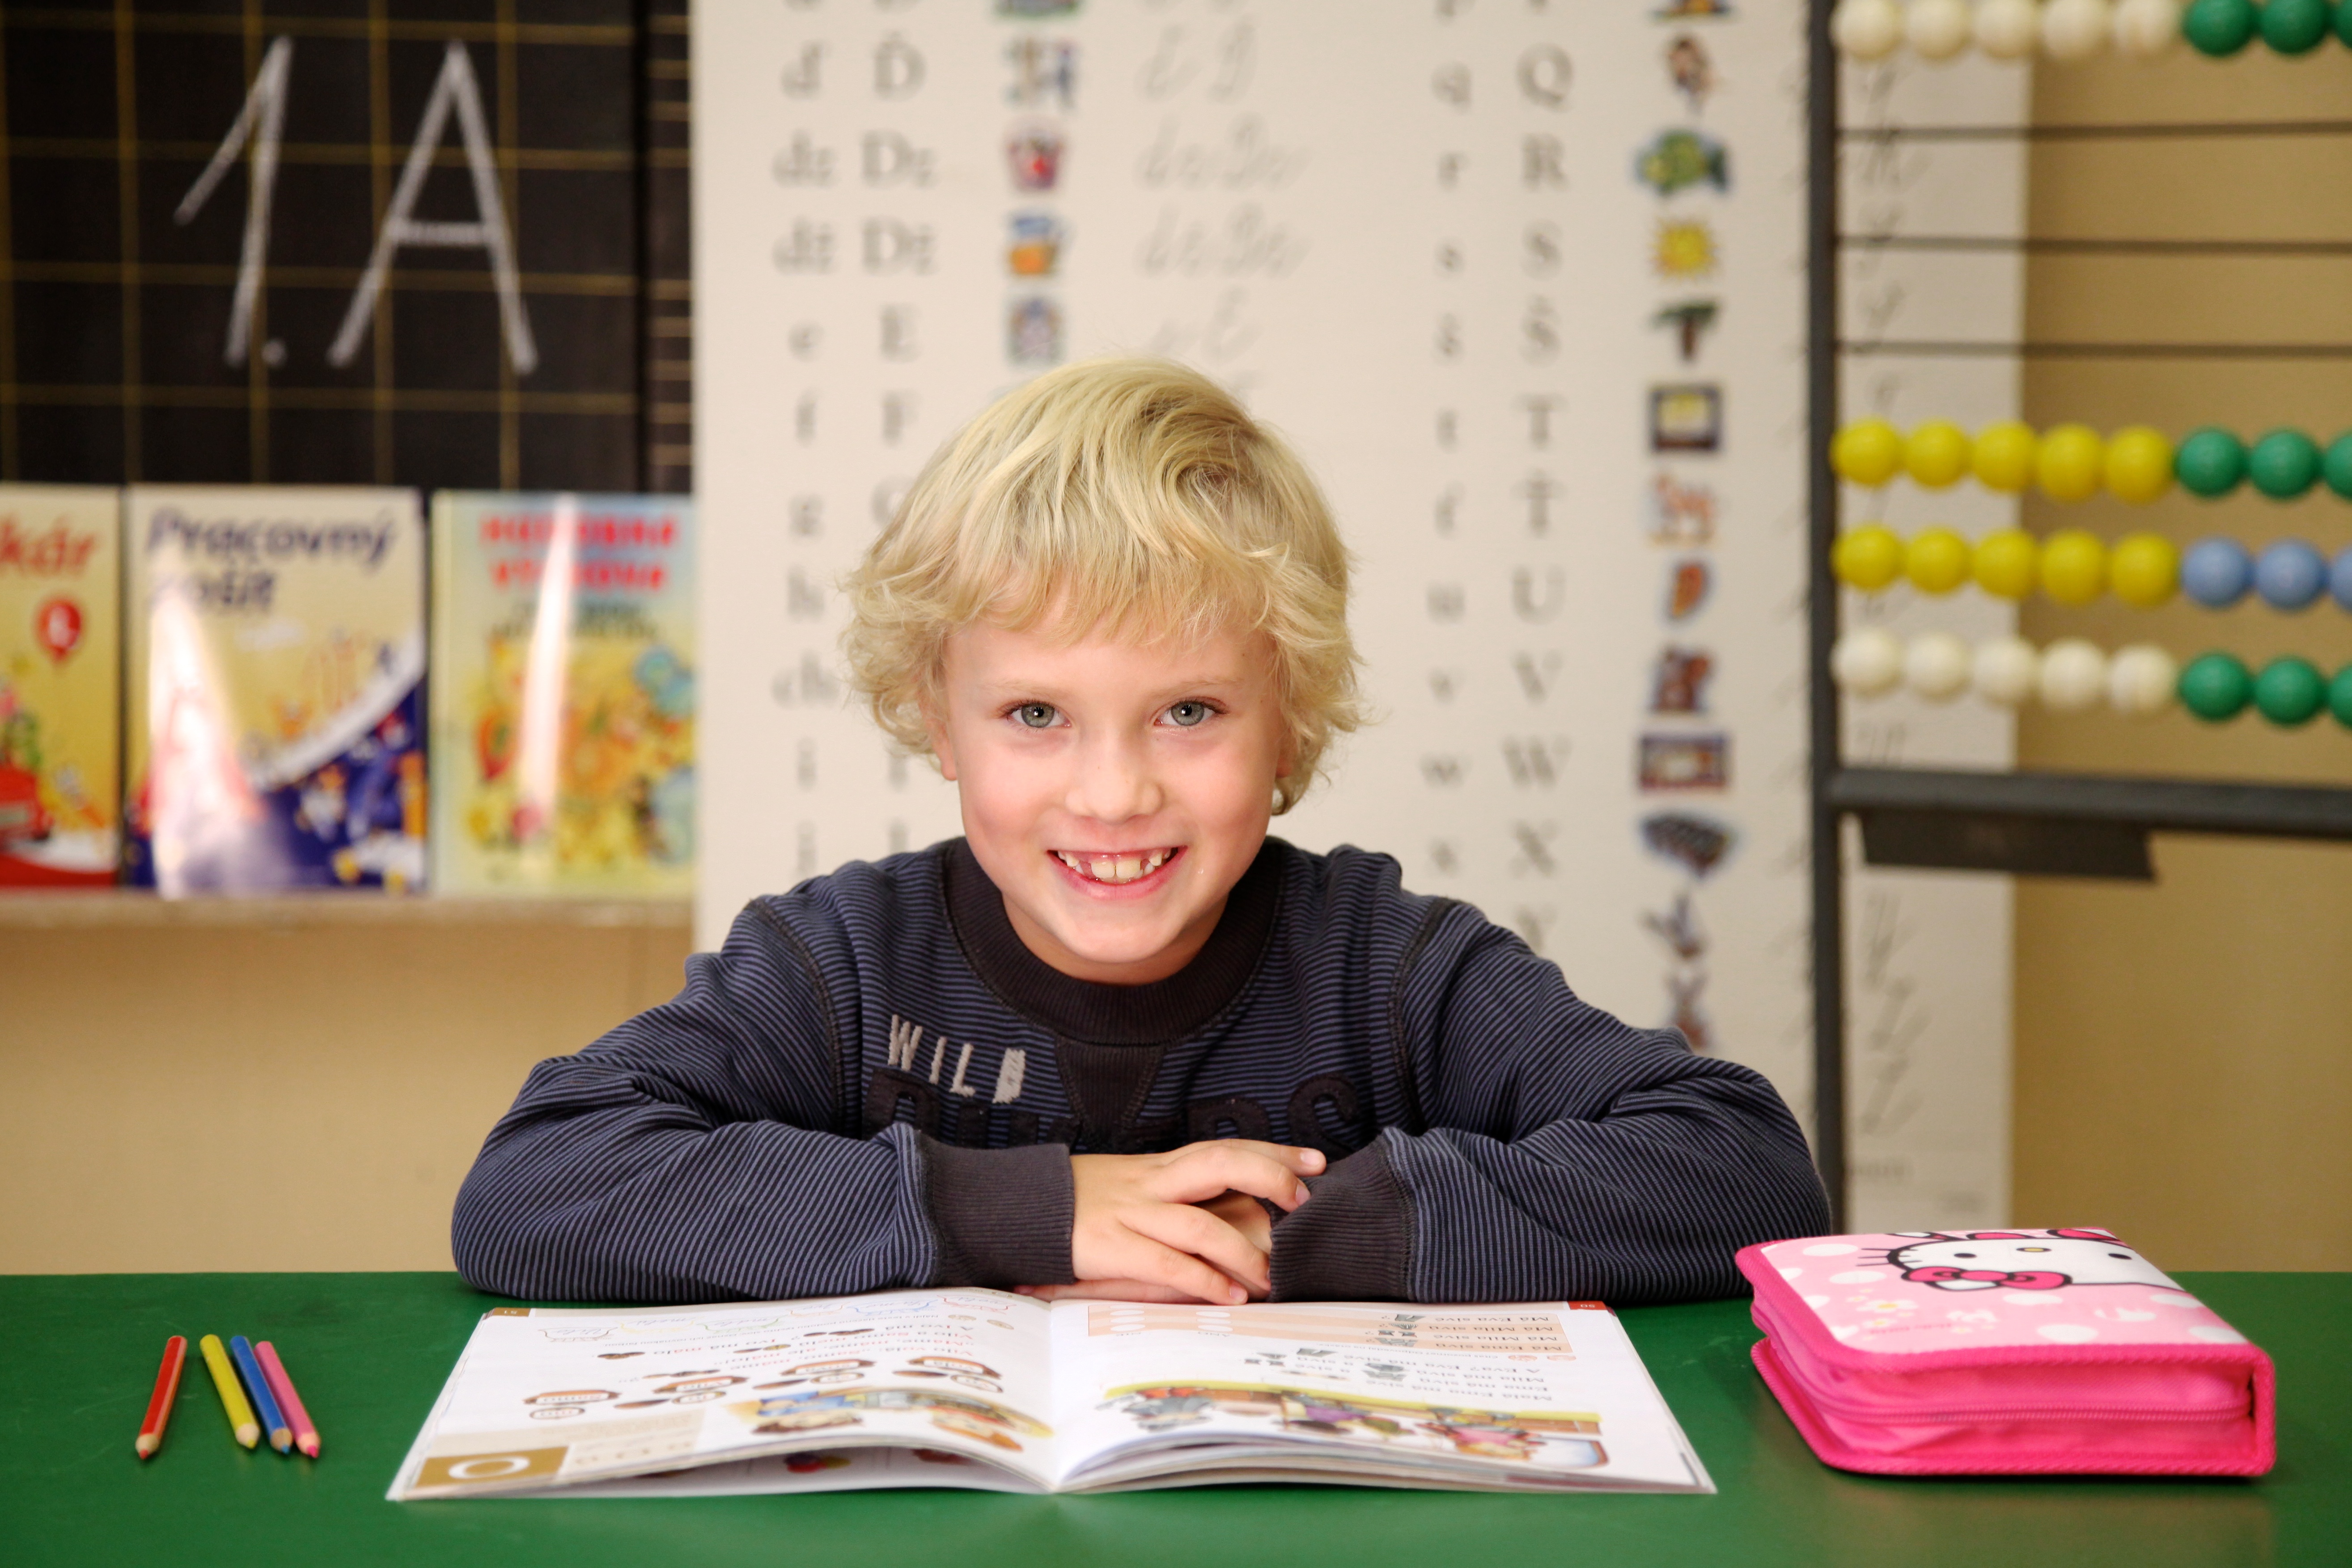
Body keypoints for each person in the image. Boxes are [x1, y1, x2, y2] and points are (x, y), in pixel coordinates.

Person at [452, 357, 1830, 1307]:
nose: (1111, 795)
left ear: (1288, 723)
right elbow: (532, 1185)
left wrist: (1283, 1236)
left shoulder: (1390, 971)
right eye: (1035, 713)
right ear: (937, 718)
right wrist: (1034, 1211)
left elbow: (1744, 1166)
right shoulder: (842, 967)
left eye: (1187, 711)